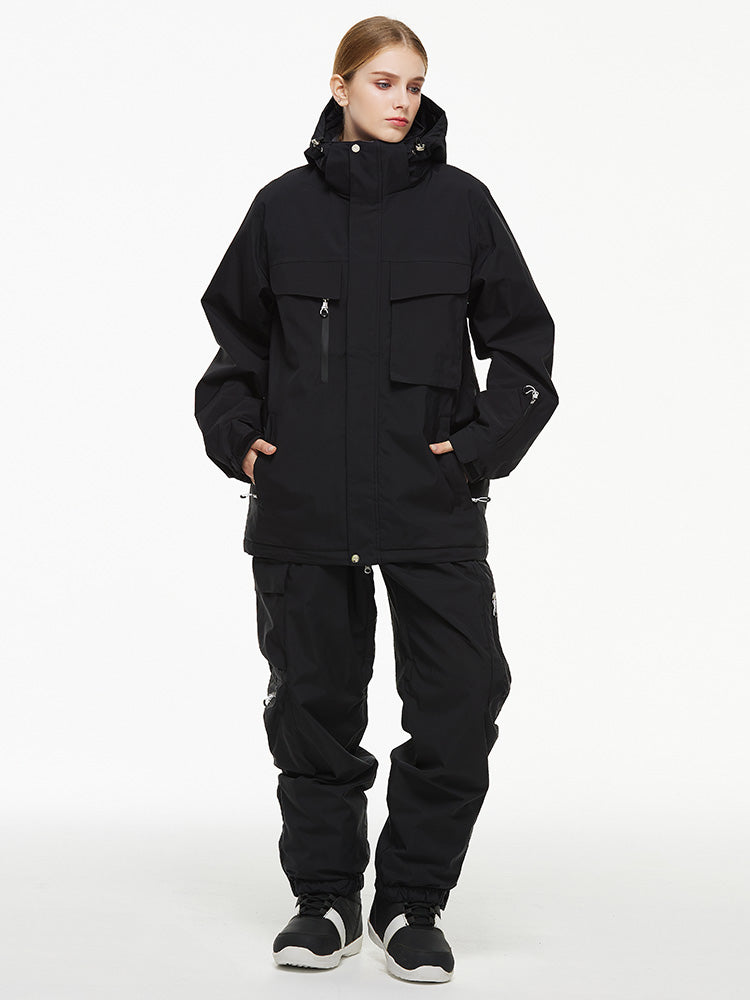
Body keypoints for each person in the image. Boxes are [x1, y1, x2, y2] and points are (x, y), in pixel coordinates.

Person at [194, 16, 558, 984]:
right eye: (385, 81)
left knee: (460, 702)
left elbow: (525, 350)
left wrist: (476, 450)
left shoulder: (462, 205)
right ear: (342, 85)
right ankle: (325, 900)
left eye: (415, 84)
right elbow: (233, 351)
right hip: (306, 508)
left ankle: (411, 904)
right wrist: (240, 440)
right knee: (313, 711)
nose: (403, 100)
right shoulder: (281, 209)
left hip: (429, 502)